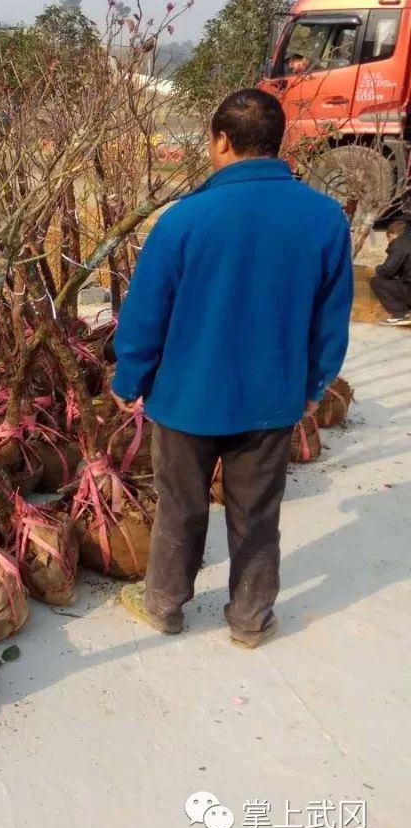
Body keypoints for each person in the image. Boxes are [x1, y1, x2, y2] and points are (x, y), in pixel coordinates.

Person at [111, 89, 352, 648]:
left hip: (185, 399)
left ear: (220, 140)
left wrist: (130, 379)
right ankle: (249, 619)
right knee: (257, 513)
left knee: (181, 507)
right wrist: (314, 386)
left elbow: (146, 314)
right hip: (271, 401)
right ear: (278, 142)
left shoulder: (185, 220)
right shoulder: (324, 218)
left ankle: (166, 606)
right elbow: (329, 319)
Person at [370, 222, 411, 326]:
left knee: (377, 282)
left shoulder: (400, 244)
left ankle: (401, 314)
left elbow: (387, 272)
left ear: (391, 235)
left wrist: (377, 269)